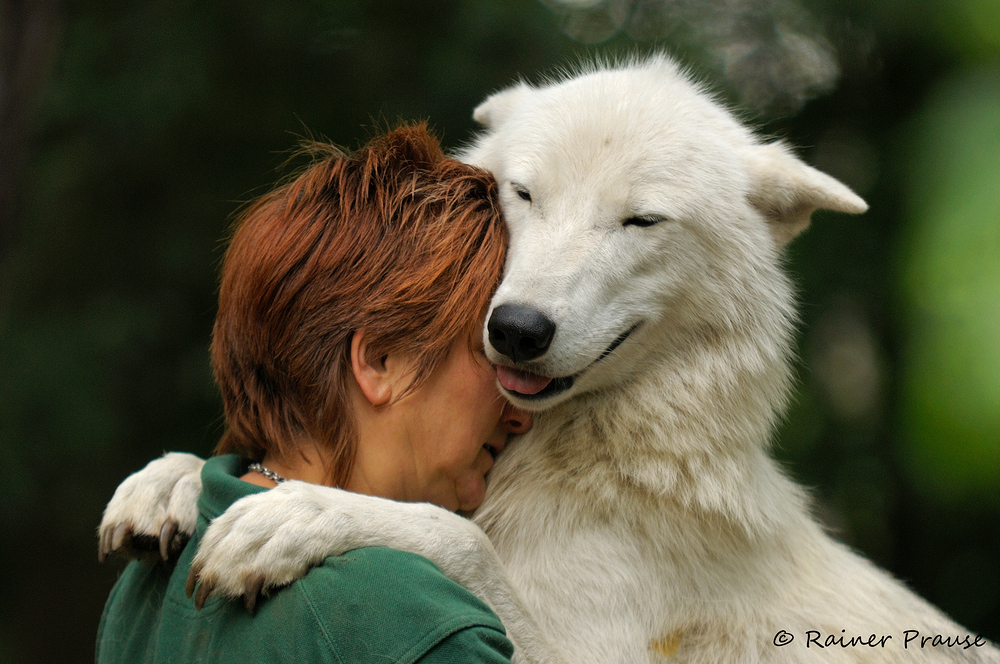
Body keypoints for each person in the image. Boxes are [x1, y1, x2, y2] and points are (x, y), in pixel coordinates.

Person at [96, 123, 531, 664]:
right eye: (493, 352)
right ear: (380, 360)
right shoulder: (414, 624)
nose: (523, 415)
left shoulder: (145, 587)